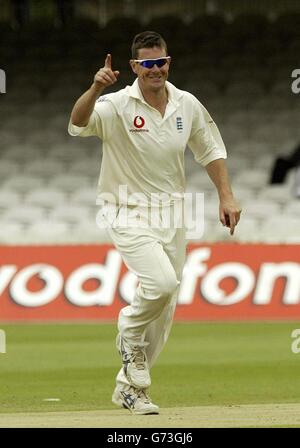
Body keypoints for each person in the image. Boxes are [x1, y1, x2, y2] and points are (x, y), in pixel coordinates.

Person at [68, 31, 241, 415]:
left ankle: (130, 389)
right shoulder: (116, 105)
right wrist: (95, 88)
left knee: (165, 308)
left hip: (174, 212)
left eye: (160, 62)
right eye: (147, 64)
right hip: (125, 209)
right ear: (134, 67)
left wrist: (225, 195)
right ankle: (128, 332)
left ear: (168, 62)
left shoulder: (186, 103)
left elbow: (210, 149)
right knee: (161, 283)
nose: (155, 69)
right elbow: (78, 124)